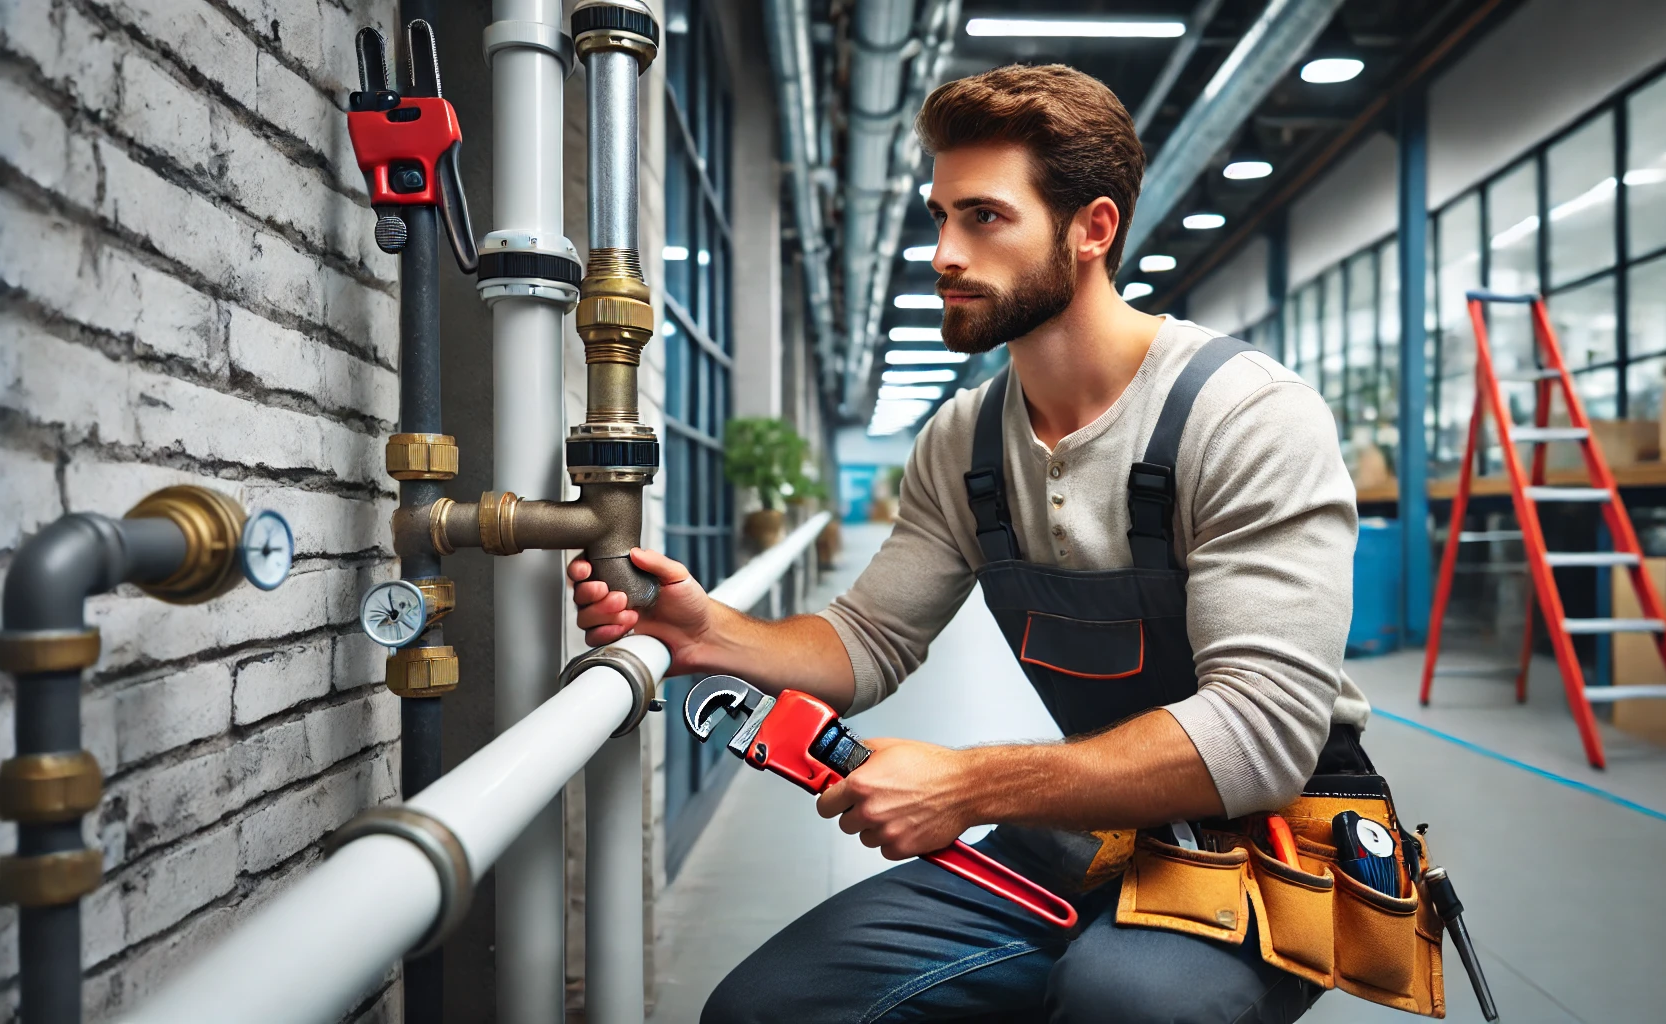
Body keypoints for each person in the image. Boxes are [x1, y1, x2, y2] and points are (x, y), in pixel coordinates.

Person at [568, 63, 1370, 1024]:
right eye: (940, 216)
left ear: (1092, 230)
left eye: (983, 217)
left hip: (1274, 836)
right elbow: (868, 642)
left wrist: (969, 782)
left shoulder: (1245, 416)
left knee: (1128, 1002)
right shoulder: (963, 441)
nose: (943, 251)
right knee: (765, 1008)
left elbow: (1261, 736)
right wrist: (709, 632)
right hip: (1096, 820)